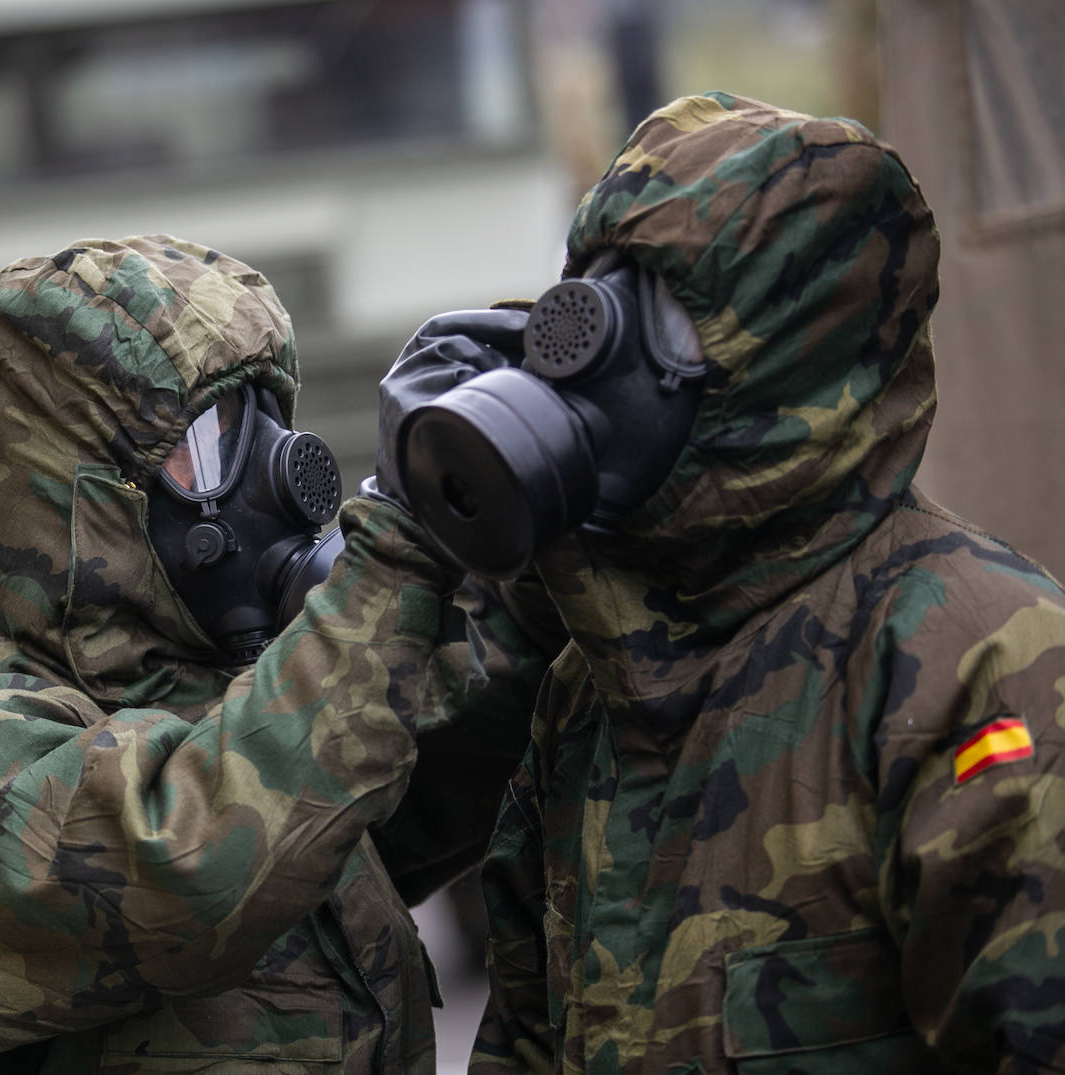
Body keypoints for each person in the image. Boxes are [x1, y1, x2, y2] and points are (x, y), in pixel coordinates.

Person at [373, 93, 1065, 1072]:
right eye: (595, 287)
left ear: (793, 355)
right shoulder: (592, 676)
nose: (591, 353)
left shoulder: (977, 658)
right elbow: (521, 1029)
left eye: (658, 311)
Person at [0, 234, 554, 1074]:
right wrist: (397, 549)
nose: (281, 469)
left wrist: (535, 526)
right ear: (84, 499)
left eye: (272, 417)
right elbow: (193, 864)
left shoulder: (258, 716)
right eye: (208, 441)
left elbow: (458, 739)